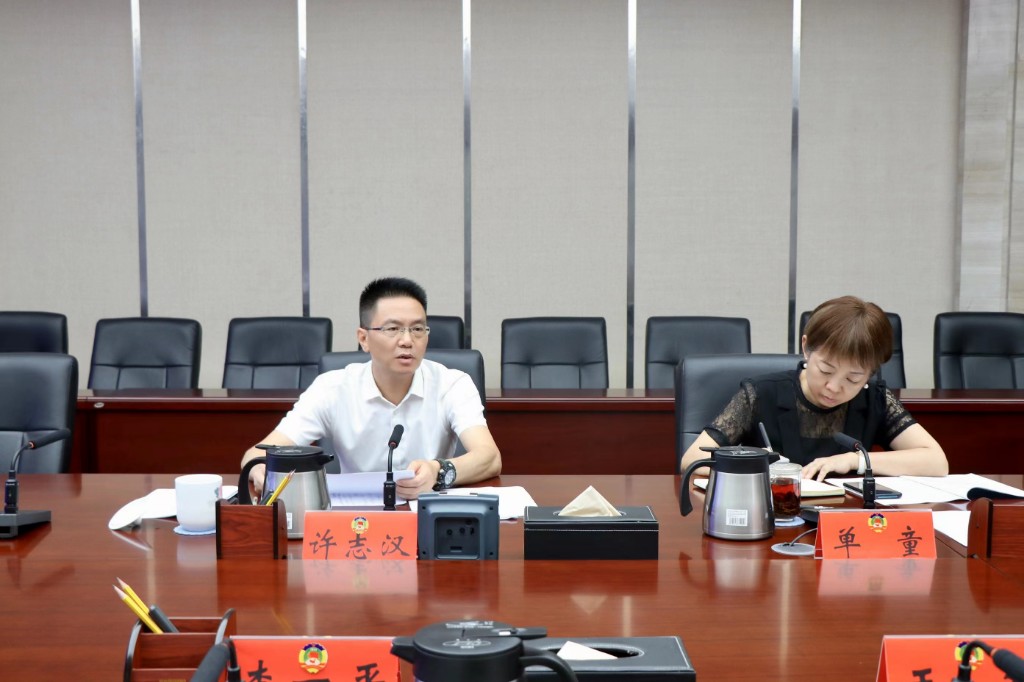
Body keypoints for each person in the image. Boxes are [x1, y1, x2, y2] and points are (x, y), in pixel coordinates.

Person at [241, 277, 501, 499]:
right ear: (363, 338)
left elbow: (489, 457)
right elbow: (255, 455)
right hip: (356, 520)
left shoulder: (452, 384)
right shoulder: (332, 388)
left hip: (427, 515)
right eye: (393, 328)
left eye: (418, 329)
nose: (407, 340)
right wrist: (261, 471)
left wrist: (438, 471)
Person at [681, 296, 947, 481]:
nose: (834, 387)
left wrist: (854, 460)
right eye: (826, 370)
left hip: (844, 524)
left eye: (853, 379)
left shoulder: (874, 398)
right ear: (806, 348)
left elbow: (937, 462)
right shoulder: (760, 394)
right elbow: (691, 461)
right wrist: (758, 469)